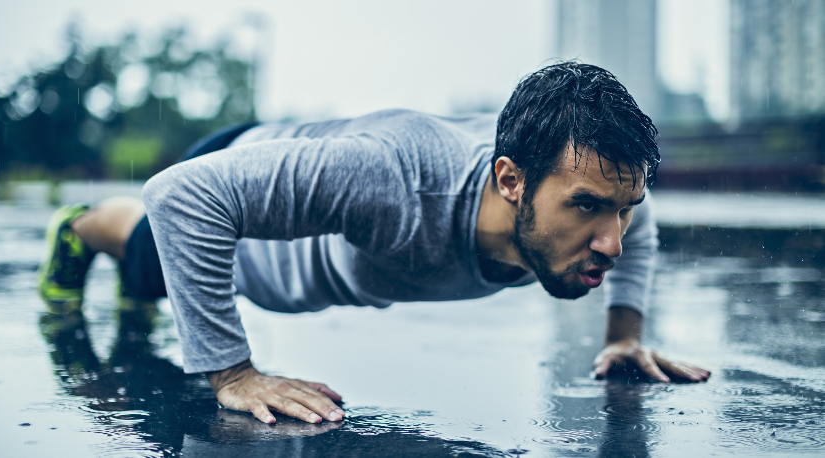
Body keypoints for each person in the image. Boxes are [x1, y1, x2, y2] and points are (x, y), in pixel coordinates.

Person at [37, 62, 710, 426]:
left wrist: (624, 332)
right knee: (145, 259)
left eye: (621, 207)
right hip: (241, 199)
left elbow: (634, 221)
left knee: (149, 288)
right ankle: (81, 226)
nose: (612, 241)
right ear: (510, 180)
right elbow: (185, 198)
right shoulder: (392, 179)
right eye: (588, 208)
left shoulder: (587, 188)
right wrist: (234, 374)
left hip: (299, 162)